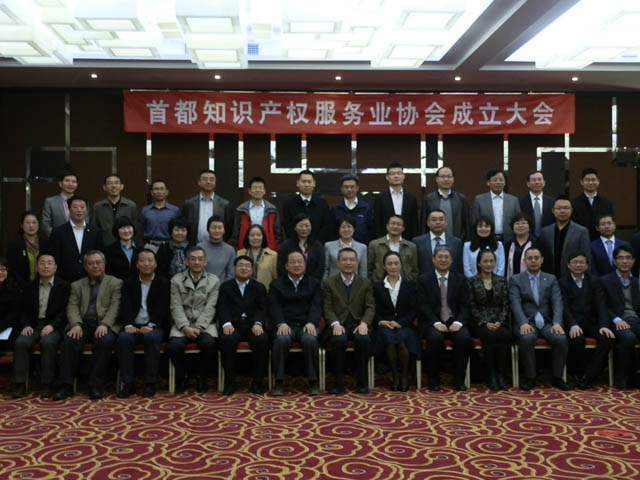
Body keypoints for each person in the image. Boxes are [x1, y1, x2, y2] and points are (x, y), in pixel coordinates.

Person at [52, 251, 122, 400]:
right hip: (83, 324)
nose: (95, 266)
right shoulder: (77, 285)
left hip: (105, 324)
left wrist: (105, 324)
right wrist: (76, 324)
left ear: (104, 264)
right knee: (69, 340)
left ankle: (95, 385)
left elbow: (115, 307)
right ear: (85, 267)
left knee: (104, 341)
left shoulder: (115, 283)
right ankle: (66, 385)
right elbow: (72, 306)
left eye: (98, 262)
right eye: (91, 263)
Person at [508, 247, 569, 391]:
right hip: (527, 322)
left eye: (536, 258)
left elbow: (557, 302)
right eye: (530, 258)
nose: (533, 261)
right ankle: (530, 377)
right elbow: (515, 303)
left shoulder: (551, 279)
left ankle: (557, 377)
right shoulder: (516, 279)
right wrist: (523, 323)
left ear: (542, 260)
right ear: (524, 261)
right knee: (527, 338)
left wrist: (557, 323)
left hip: (548, 322)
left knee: (560, 338)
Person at [12, 253, 70, 398]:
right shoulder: (29, 286)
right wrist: (26, 325)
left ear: (55, 267)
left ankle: (46, 383)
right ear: (36, 267)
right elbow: (23, 310)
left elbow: (65, 311)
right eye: (42, 263)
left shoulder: (64, 286)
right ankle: (20, 383)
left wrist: (52, 326)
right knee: (21, 342)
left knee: (47, 342)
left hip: (54, 326)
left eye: (49, 263)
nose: (46, 266)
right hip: (33, 325)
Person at [116, 249, 170, 398]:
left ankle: (150, 383)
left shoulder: (164, 283)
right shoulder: (128, 283)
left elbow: (162, 309)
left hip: (154, 325)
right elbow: (125, 307)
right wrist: (128, 325)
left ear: (155, 264)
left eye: (150, 260)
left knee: (151, 339)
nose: (146, 264)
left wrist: (151, 325)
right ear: (137, 264)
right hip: (133, 325)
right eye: (142, 261)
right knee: (124, 339)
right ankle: (128, 383)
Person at [418, 246, 472, 391]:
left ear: (452, 260)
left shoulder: (460, 279)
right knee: (434, 338)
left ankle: (459, 379)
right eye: (440, 257)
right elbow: (422, 305)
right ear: (433, 259)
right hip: (433, 321)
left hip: (455, 320)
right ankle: (434, 380)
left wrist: (459, 322)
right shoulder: (424, 279)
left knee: (464, 338)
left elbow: (466, 305)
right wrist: (435, 322)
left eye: (446, 257)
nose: (443, 260)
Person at [269, 250, 322, 396]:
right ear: (286, 266)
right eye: (293, 262)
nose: (297, 265)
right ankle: (278, 382)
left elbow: (317, 305)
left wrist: (311, 322)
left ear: (305, 264)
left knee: (310, 339)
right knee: (282, 339)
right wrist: (280, 323)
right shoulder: (276, 284)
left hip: (307, 324)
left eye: (300, 262)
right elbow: (274, 306)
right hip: (286, 324)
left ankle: (313, 382)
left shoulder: (314, 283)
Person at [168, 246, 219, 393]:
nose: (196, 262)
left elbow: (211, 307)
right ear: (186, 261)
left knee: (210, 344)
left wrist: (199, 327)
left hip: (204, 324)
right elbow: (176, 306)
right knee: (174, 346)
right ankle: (183, 376)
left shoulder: (213, 280)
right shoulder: (176, 280)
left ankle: (201, 376)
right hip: (182, 323)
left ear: (205, 262)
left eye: (200, 259)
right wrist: (185, 327)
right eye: (193, 259)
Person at [322, 247, 374, 394]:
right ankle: (338, 383)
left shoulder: (365, 283)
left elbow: (370, 307)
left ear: (357, 263)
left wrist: (364, 323)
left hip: (358, 324)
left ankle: (362, 383)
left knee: (363, 339)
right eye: (344, 260)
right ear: (338, 263)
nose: (348, 263)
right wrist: (335, 324)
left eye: (352, 260)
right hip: (339, 324)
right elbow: (327, 308)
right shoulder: (329, 283)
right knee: (338, 340)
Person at [559, 252, 613, 390]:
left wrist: (604, 325)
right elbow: (564, 307)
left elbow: (601, 305)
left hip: (591, 322)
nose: (578, 265)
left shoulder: (594, 281)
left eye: (581, 262)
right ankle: (578, 373)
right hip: (572, 323)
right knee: (577, 339)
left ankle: (589, 375)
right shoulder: (562, 282)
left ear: (587, 265)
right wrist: (572, 324)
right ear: (568, 265)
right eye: (575, 262)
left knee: (607, 338)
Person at [218, 256, 269, 395]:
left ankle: (257, 383)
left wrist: (258, 323)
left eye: (247, 266)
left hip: (252, 325)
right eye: (240, 265)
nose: (244, 268)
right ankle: (230, 383)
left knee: (262, 339)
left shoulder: (259, 287)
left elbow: (262, 308)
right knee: (227, 339)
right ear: (234, 269)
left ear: (252, 270)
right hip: (233, 325)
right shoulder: (225, 287)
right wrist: (226, 323)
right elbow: (222, 307)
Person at [372, 251, 418, 391]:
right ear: (384, 266)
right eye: (390, 264)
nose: (393, 266)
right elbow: (373, 310)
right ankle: (395, 375)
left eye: (396, 263)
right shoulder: (377, 287)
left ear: (401, 265)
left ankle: (404, 375)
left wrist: (401, 323)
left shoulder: (410, 285)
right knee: (388, 337)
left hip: (405, 325)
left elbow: (414, 310)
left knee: (402, 337)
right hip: (385, 325)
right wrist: (381, 322)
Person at [467, 250, 510, 391]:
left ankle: (501, 375)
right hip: (479, 323)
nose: (489, 264)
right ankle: (491, 376)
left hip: (499, 322)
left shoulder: (501, 280)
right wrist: (485, 322)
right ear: (479, 263)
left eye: (491, 261)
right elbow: (471, 306)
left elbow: (505, 305)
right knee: (489, 335)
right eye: (485, 261)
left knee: (504, 335)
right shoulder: (471, 281)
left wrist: (499, 321)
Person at [599, 245, 640, 390]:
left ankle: (635, 376)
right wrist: (617, 319)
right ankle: (621, 378)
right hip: (617, 321)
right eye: (621, 258)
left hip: (636, 320)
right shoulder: (605, 281)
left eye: (628, 258)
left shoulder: (637, 282)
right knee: (628, 338)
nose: (625, 261)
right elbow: (603, 306)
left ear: (634, 261)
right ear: (614, 261)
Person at [48, 195, 104, 283]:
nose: (79, 210)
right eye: (75, 207)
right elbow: (55, 257)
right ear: (69, 210)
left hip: (90, 279)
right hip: (65, 280)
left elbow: (100, 255)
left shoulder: (95, 232)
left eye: (82, 207)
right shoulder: (58, 232)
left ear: (86, 210)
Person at [537, 196, 590, 278]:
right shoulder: (545, 232)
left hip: (572, 277)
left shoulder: (581, 231)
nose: (562, 211)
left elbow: (586, 257)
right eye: (559, 208)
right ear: (553, 211)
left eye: (566, 208)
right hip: (549, 277)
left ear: (571, 210)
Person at [231, 176, 282, 251]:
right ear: (249, 191)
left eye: (260, 188)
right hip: (245, 248)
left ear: (264, 191)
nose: (257, 190)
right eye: (254, 188)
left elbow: (278, 234)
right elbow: (236, 233)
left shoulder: (272, 210)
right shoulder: (241, 210)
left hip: (268, 249)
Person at [182, 169, 232, 245]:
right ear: (199, 182)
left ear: (215, 183)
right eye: (205, 179)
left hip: (217, 245)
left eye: (211, 180)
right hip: (194, 245)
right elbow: (184, 225)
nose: (208, 182)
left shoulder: (224, 204)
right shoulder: (189, 204)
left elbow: (229, 228)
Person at [472, 169, 521, 245]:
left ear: (505, 183)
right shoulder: (479, 200)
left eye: (501, 180)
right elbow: (475, 221)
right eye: (495, 180)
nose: (498, 182)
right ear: (488, 182)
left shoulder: (513, 200)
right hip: (486, 238)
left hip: (509, 239)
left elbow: (518, 220)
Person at [421, 166, 471, 241]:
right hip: (434, 241)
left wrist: (467, 241)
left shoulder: (461, 199)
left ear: (453, 179)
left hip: (457, 241)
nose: (446, 179)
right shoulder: (428, 199)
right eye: (442, 176)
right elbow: (423, 225)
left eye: (449, 176)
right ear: (437, 179)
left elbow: (467, 224)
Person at [373, 162, 418, 240]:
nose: (396, 176)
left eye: (399, 173)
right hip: (385, 240)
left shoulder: (411, 198)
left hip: (407, 240)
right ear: (387, 177)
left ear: (403, 176)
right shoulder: (380, 198)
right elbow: (377, 223)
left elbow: (414, 223)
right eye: (392, 174)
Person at [282, 169, 330, 243]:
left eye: (309, 182)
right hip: (294, 245)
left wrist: (316, 244)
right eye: (303, 182)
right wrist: (297, 243)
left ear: (314, 184)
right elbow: (287, 227)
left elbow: (325, 227)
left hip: (317, 245)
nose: (306, 185)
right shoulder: (289, 204)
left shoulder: (322, 204)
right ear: (298, 183)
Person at [368, 215, 418, 282]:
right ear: (387, 226)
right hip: (380, 284)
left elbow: (414, 269)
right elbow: (369, 268)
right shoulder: (375, 245)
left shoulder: (411, 246)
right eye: (393, 223)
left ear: (403, 228)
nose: (395, 226)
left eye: (399, 224)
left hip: (405, 284)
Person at [412, 209, 463, 275]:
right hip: (424, 280)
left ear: (446, 222)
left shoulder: (456, 242)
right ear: (428, 223)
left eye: (441, 219)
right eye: (434, 220)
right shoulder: (417, 242)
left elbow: (459, 267)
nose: (438, 222)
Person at [92, 174, 138, 246]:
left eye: (116, 183)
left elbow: (135, 228)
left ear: (121, 186)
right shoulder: (98, 206)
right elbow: (94, 228)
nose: (113, 186)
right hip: (105, 246)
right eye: (109, 183)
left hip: (125, 246)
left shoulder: (131, 205)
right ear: (104, 187)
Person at [328, 174, 374, 245]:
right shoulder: (336, 208)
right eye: (346, 187)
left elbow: (371, 230)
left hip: (362, 247)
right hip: (340, 248)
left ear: (357, 188)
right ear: (341, 189)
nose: (349, 190)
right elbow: (331, 232)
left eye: (352, 187)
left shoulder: (366, 208)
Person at [277, 213, 324, 281]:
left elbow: (320, 268)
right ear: (295, 227)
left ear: (311, 227)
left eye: (307, 226)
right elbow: (281, 267)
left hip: (312, 284)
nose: (304, 228)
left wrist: (312, 283)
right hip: (289, 283)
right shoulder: (286, 245)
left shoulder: (317, 245)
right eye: (301, 226)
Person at [571, 168, 613, 241]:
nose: (590, 183)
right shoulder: (573, 203)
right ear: (581, 182)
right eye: (587, 180)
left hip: (601, 240)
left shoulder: (606, 203)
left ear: (598, 181)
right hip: (579, 240)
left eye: (593, 180)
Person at [7, 211, 48, 285]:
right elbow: (12, 270)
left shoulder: (46, 244)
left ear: (38, 225)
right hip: (21, 287)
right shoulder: (14, 245)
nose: (31, 225)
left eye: (34, 222)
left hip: (43, 285)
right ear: (21, 225)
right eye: (27, 223)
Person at [323, 215, 367, 279]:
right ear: (338, 229)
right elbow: (326, 269)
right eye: (343, 227)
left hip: (355, 283)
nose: (346, 230)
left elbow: (363, 271)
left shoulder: (362, 247)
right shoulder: (328, 246)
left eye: (349, 227)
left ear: (354, 229)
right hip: (333, 282)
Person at [237, 224, 278, 292]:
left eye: (258, 235)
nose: (255, 238)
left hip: (266, 293)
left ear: (263, 237)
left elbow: (276, 278)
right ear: (247, 237)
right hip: (243, 292)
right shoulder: (240, 254)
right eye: (252, 235)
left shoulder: (273, 255)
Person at [140, 179, 180, 246]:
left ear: (166, 192)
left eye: (162, 189)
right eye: (156, 189)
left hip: (169, 245)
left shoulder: (175, 210)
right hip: (150, 245)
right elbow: (142, 229)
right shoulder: (145, 210)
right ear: (152, 193)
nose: (159, 191)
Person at [518, 170, 555, 238]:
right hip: (527, 238)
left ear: (544, 182)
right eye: (534, 180)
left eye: (539, 179)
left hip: (547, 237)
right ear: (528, 184)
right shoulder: (519, 202)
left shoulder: (552, 201)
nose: (537, 182)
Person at [198, 215, 234, 283]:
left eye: (220, 228)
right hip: (202, 286)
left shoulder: (230, 250)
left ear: (224, 230)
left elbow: (230, 274)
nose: (217, 231)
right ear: (208, 229)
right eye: (214, 228)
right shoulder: (200, 247)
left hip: (223, 287)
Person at [41, 171, 78, 237]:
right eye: (67, 181)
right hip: (56, 240)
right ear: (60, 183)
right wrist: (57, 237)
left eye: (73, 182)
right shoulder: (50, 202)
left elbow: (85, 222)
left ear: (77, 185)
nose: (70, 184)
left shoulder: (82, 203)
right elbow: (45, 224)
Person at [505, 213, 535, 280]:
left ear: (530, 227)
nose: (520, 226)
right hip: (512, 281)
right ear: (513, 228)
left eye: (524, 223)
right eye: (517, 223)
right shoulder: (508, 245)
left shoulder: (537, 244)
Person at [0, 258, 22, 343]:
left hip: (10, 326)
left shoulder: (14, 288)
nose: (0, 272)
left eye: (3, 269)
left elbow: (14, 314)